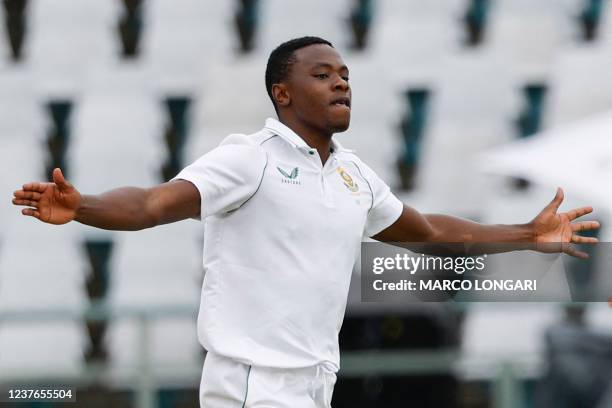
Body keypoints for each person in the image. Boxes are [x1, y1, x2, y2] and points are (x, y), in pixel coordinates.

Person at [12, 36, 599, 407]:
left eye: (344, 73)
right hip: (252, 383)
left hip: (317, 382)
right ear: (282, 93)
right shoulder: (250, 157)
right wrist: (82, 205)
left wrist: (527, 234)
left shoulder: (353, 175)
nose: (340, 80)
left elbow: (428, 231)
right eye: (321, 74)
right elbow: (152, 205)